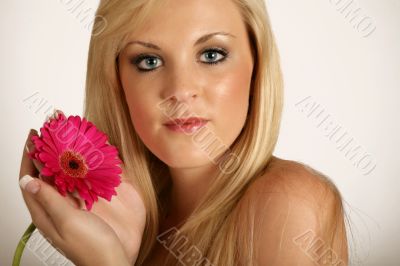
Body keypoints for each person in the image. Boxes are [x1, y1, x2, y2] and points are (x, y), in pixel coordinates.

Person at [19, 0, 348, 265]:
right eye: (149, 61)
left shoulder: (288, 201)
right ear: (116, 82)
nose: (179, 90)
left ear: (257, 67)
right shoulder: (131, 222)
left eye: (211, 55)